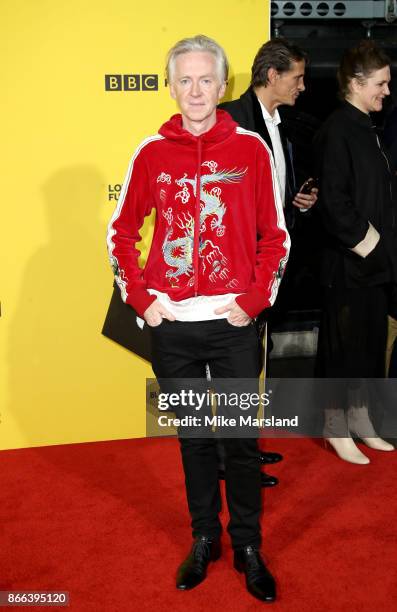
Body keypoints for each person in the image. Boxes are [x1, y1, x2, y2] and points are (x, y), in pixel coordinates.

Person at [107, 35, 290, 602]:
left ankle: (249, 544)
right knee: (194, 439)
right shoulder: (150, 153)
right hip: (174, 328)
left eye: (205, 79)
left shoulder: (252, 151)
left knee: (238, 439)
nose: (194, 91)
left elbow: (274, 237)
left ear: (223, 85)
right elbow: (120, 234)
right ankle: (205, 537)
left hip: (233, 323)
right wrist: (143, 300)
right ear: (170, 85)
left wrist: (253, 301)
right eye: (183, 79)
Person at [219, 38, 318, 482]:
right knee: (235, 365)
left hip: (269, 263)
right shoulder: (234, 120)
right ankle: (229, 460)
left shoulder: (281, 122)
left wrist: (292, 201)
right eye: (297, 77)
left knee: (250, 360)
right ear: (272, 75)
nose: (303, 86)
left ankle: (242, 450)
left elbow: (269, 193)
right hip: (240, 266)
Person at [314, 40, 396, 463]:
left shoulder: (368, 129)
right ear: (356, 82)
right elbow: (335, 204)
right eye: (381, 83)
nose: (386, 91)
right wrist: (375, 247)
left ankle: (362, 422)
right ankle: (334, 426)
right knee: (342, 349)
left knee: (368, 346)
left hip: (376, 267)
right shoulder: (337, 130)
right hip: (347, 265)